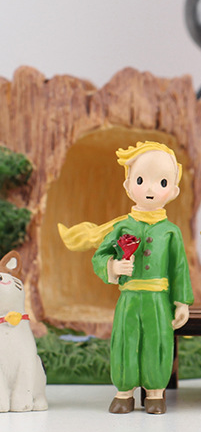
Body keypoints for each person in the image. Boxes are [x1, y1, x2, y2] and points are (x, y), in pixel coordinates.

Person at [59, 141, 193, 414]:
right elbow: (99, 256)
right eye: (141, 180)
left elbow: (179, 268)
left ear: (174, 191)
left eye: (162, 182)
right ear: (128, 185)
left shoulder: (171, 232)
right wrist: (113, 266)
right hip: (130, 297)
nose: (150, 189)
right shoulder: (122, 228)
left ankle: (155, 392)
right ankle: (124, 391)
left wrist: (182, 303)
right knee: (125, 339)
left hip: (158, 299)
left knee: (157, 340)